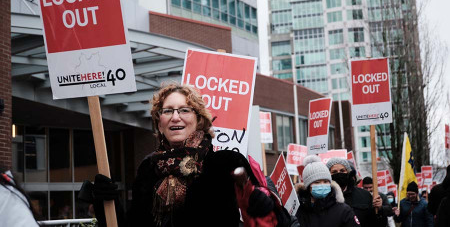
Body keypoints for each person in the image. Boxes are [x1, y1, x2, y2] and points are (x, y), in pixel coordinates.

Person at [87, 83, 283, 227]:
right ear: (159, 123)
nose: (175, 117)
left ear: (198, 120)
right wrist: (107, 202)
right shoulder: (148, 167)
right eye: (167, 111)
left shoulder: (227, 162)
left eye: (184, 110)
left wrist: (263, 205)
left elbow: (274, 220)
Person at [295, 155, 360, 227]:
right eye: (317, 182)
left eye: (326, 181)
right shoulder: (297, 210)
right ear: (307, 186)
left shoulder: (343, 210)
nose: (322, 185)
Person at [326, 158, 384, 227]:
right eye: (334, 172)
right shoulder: (324, 197)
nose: (339, 174)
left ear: (348, 172)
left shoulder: (364, 195)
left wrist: (380, 209)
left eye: (342, 170)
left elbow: (376, 223)